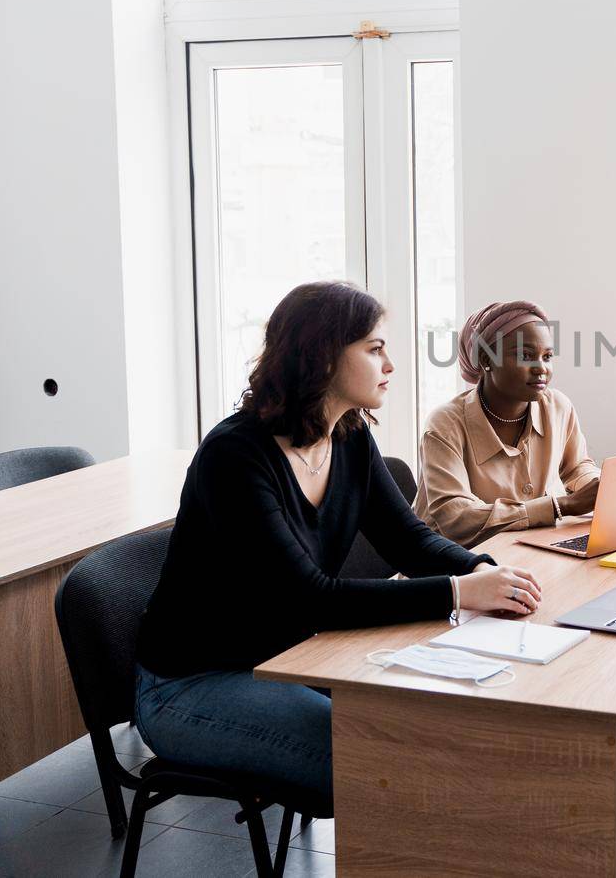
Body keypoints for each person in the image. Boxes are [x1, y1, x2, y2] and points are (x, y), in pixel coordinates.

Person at [135, 282, 543, 802]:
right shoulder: (233, 458)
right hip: (192, 685)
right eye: (375, 349)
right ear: (323, 356)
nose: (390, 365)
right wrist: (461, 593)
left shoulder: (348, 436)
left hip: (294, 657)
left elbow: (410, 541)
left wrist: (482, 571)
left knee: (441, 728)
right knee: (387, 763)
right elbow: (310, 599)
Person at [415, 300, 600, 548]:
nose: (541, 369)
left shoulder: (557, 406)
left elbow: (576, 467)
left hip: (522, 554)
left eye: (547, 356)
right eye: (525, 356)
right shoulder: (445, 425)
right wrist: (562, 506)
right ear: (486, 359)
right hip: (450, 570)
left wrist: (600, 488)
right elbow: (456, 517)